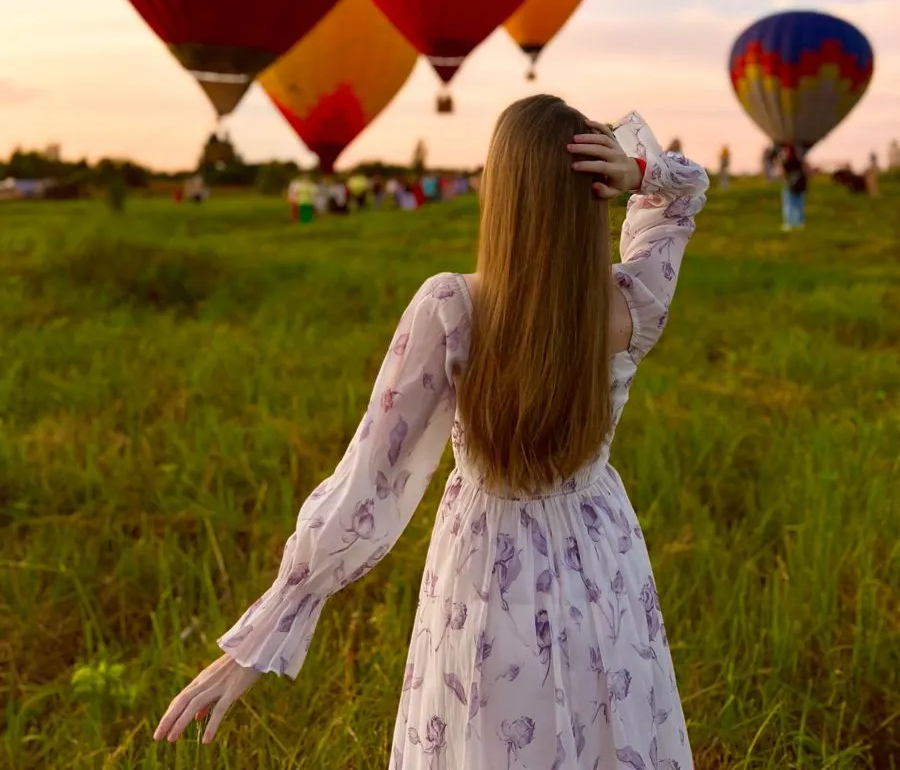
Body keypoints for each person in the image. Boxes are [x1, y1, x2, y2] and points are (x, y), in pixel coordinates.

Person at [155, 98, 708, 765]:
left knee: (490, 736)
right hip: (600, 556)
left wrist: (268, 628)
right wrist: (642, 172)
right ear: (598, 193)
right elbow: (682, 198)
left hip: (487, 564)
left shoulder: (453, 305)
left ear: (501, 192)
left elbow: (368, 482)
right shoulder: (632, 303)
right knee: (603, 726)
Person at [780, 144, 808, 230]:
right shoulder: (799, 162)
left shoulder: (786, 162)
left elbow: (783, 173)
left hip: (790, 186)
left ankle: (790, 223)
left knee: (789, 206)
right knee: (799, 205)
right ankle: (799, 222)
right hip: (800, 187)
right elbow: (805, 171)